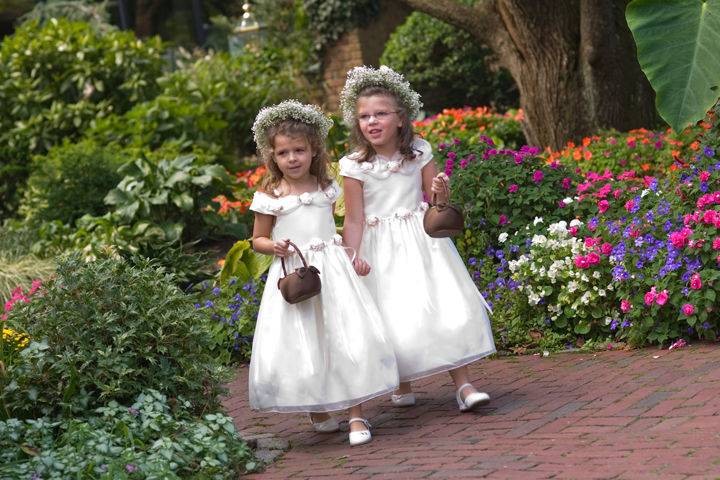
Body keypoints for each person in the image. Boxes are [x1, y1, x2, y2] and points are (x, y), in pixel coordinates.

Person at [339, 66, 496, 412]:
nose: (372, 122)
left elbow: (436, 203)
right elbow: (354, 218)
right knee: (392, 313)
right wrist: (351, 257)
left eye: (381, 113)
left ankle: (464, 384)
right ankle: (402, 381)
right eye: (365, 116)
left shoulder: (419, 151)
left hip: (420, 238)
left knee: (444, 305)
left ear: (400, 118)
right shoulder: (353, 165)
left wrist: (441, 190)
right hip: (378, 245)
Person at [248, 100, 398, 446]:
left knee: (346, 336)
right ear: (273, 156)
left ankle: (356, 413)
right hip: (296, 273)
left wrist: (352, 256)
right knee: (306, 341)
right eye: (284, 153)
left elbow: (335, 228)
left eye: (299, 150)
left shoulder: (326, 188)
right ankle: (317, 404)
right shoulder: (270, 196)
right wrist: (275, 246)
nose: (293, 159)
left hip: (331, 270)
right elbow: (257, 239)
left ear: (313, 150)